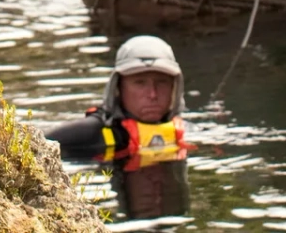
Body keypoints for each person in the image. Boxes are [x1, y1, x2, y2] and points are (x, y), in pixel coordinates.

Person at [44, 35, 187, 160]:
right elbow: (32, 145)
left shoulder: (186, 131)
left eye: (162, 82)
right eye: (140, 83)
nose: (152, 94)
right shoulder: (90, 133)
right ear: (118, 87)